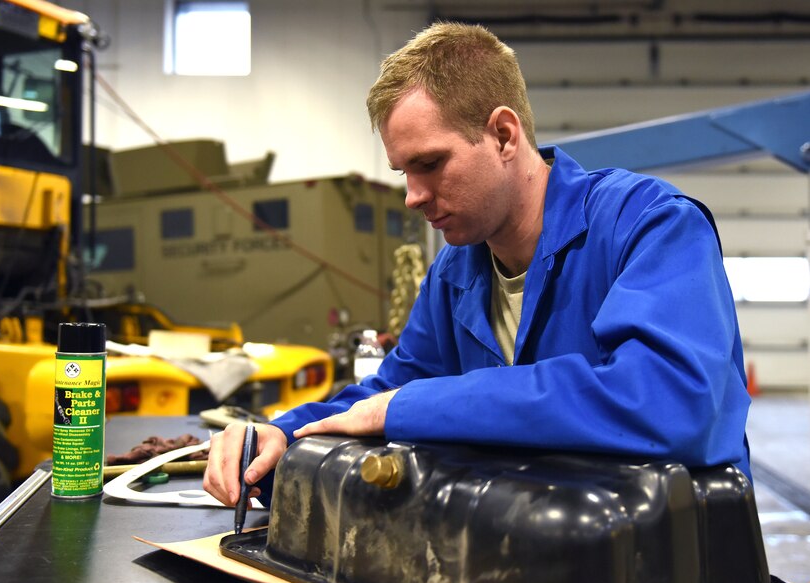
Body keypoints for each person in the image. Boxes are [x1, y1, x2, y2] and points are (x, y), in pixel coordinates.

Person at [203, 22, 752, 509]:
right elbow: (395, 387)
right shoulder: (457, 271)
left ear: (505, 135)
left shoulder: (650, 225)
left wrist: (413, 407)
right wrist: (283, 432)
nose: (412, 197)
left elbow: (671, 402)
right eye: (404, 173)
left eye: (430, 164)